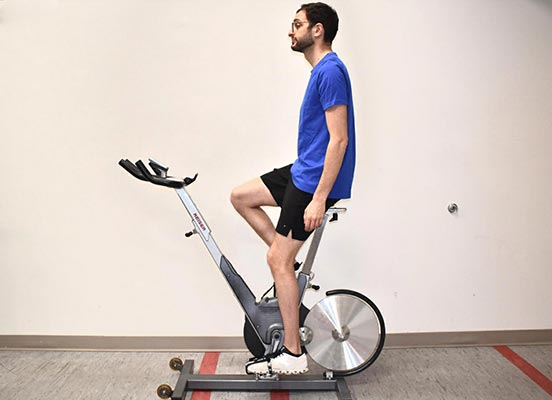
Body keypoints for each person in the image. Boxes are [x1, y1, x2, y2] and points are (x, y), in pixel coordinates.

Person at [230, 2, 356, 375]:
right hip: (303, 171)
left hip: (314, 181)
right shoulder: (320, 71)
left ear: (317, 30)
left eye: (297, 24)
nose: (291, 30)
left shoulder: (331, 71)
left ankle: (293, 353)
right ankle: (287, 260)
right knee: (241, 197)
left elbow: (339, 141)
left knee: (276, 262)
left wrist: (319, 198)